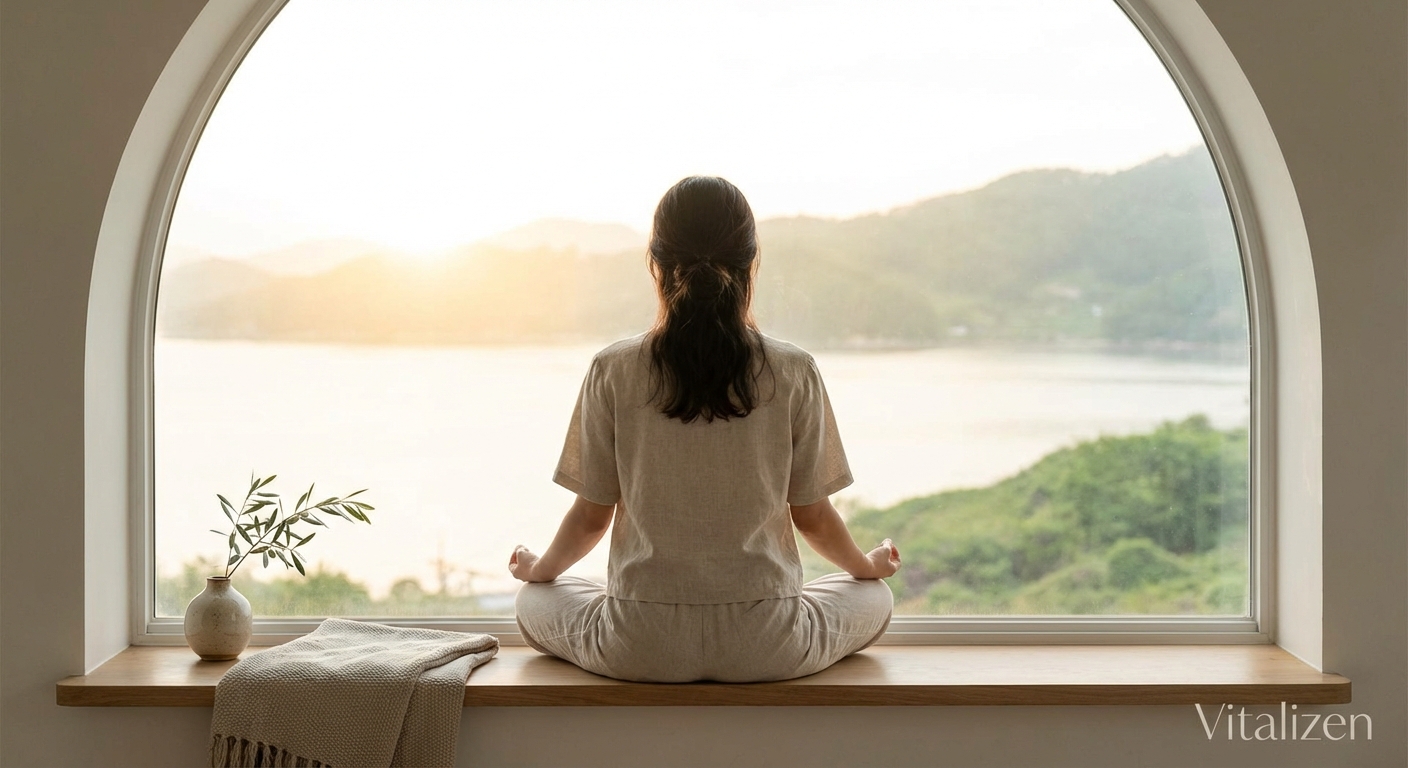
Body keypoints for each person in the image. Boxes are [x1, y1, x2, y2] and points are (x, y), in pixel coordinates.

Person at [508, 176, 899, 683]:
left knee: (533, 599)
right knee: (874, 596)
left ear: (656, 263)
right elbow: (813, 517)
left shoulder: (613, 368)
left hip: (639, 643)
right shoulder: (794, 369)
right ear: (750, 263)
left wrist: (540, 572)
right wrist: (865, 569)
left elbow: (590, 517)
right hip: (769, 644)